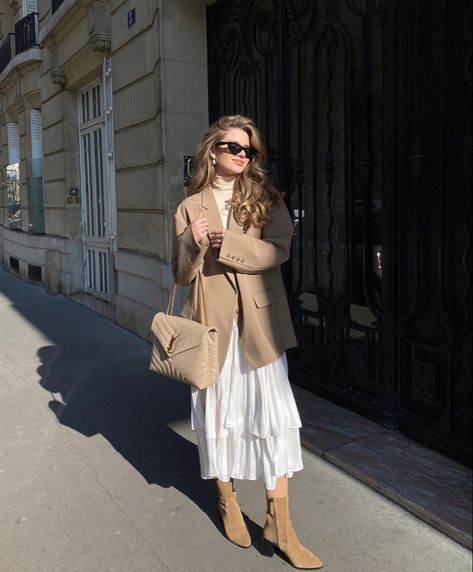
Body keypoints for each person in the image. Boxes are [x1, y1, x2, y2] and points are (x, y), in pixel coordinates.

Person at [173, 115, 323, 570]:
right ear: (212, 150)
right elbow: (181, 274)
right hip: (213, 328)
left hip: (259, 325)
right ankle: (226, 497)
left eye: (249, 150)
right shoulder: (189, 206)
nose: (241, 155)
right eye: (233, 147)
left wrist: (231, 244)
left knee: (273, 416)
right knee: (219, 413)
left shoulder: (264, 198)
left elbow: (279, 249)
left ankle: (281, 520)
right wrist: (193, 243)